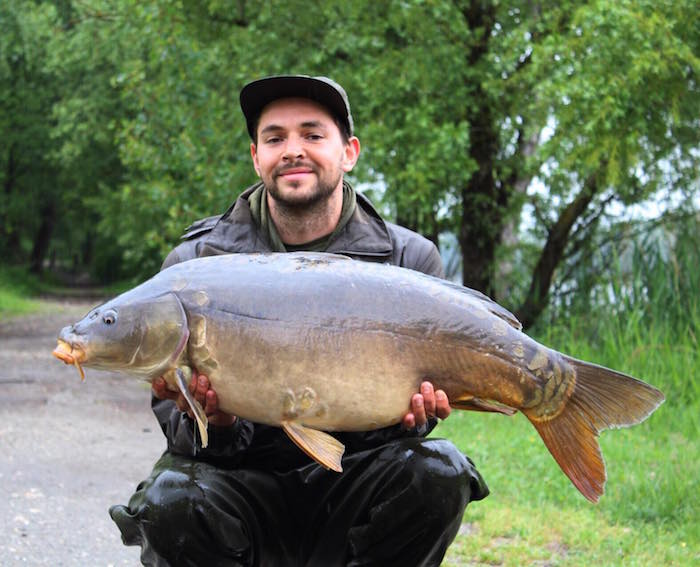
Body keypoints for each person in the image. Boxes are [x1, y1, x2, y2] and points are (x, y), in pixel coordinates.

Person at [109, 75, 488, 567]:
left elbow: (408, 434)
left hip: (353, 484)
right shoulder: (195, 265)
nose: (293, 150)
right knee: (171, 499)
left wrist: (413, 417)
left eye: (312, 135)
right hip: (241, 487)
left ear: (349, 152)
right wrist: (218, 424)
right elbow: (180, 435)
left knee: (439, 472)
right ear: (256, 157)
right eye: (275, 138)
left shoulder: (408, 261)